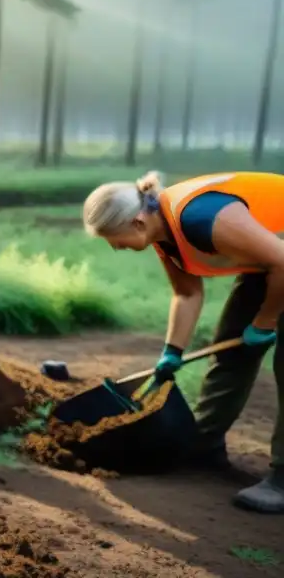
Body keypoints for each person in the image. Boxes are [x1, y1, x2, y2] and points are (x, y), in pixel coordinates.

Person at [82, 170, 281, 513]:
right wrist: (171, 353)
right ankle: (205, 443)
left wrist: (264, 321)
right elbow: (187, 293)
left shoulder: (203, 218)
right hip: (273, 262)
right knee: (232, 349)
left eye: (113, 238)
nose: (115, 247)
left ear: (137, 222)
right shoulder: (164, 230)